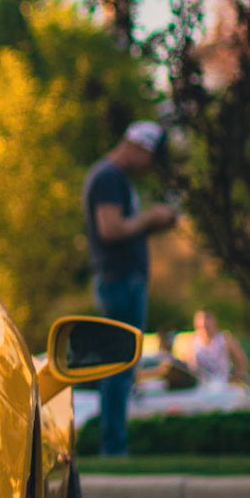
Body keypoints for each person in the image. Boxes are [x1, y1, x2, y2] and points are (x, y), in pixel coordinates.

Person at [82, 120, 178, 457]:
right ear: (139, 147)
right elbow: (110, 229)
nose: (149, 167)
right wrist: (151, 218)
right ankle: (114, 448)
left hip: (122, 281)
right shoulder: (108, 177)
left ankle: (115, 445)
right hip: (119, 281)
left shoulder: (114, 178)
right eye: (150, 158)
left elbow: (123, 229)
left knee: (122, 364)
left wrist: (153, 224)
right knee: (119, 364)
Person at [191, 309, 248, 387]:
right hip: (198, 387)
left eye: (208, 318)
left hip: (221, 387)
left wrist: (235, 381)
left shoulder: (226, 339)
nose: (204, 322)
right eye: (200, 319)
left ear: (214, 321)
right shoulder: (190, 340)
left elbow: (242, 361)